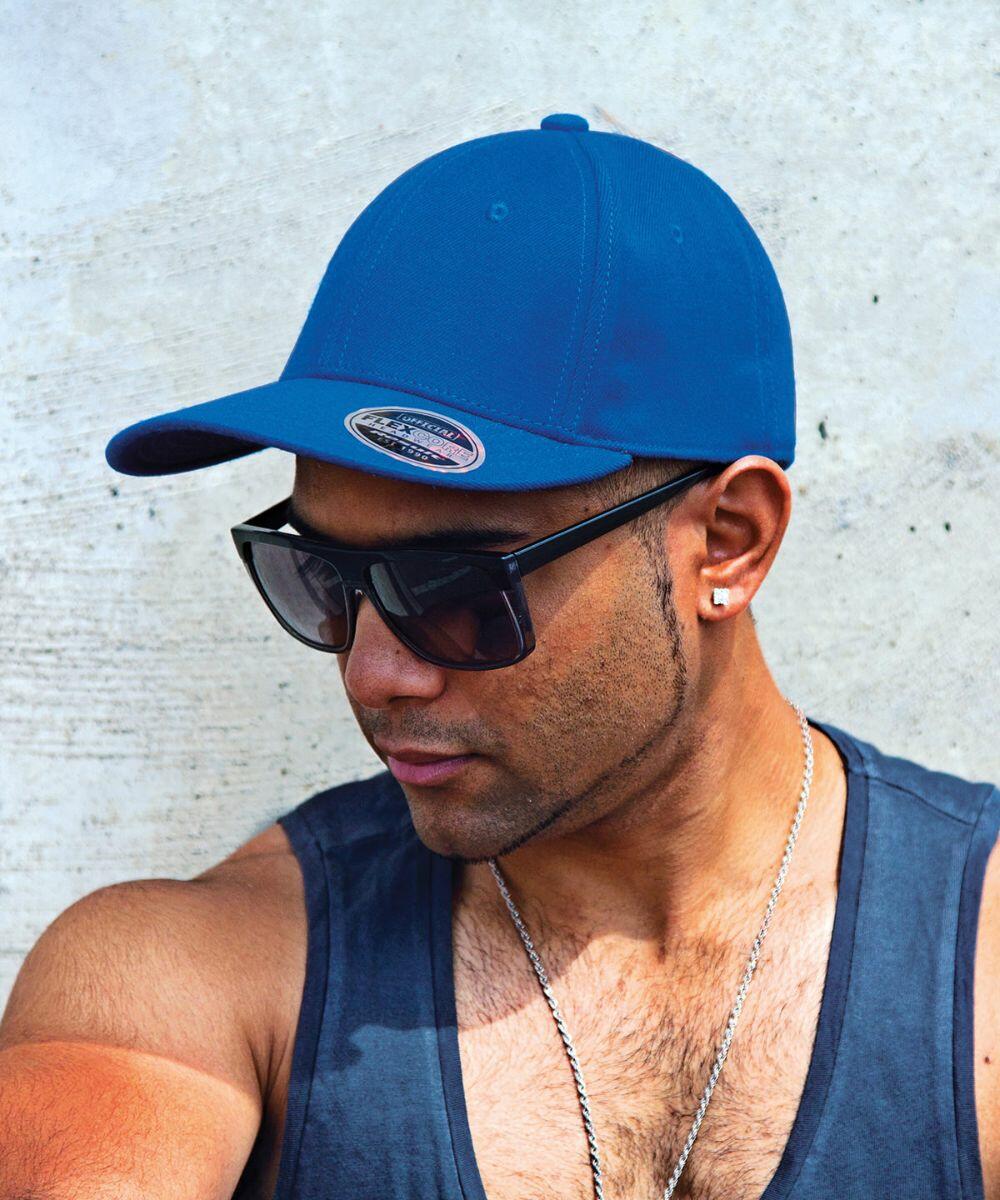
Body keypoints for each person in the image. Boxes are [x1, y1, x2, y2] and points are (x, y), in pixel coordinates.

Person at [1, 112, 996, 1200]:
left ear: (729, 541)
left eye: (460, 591)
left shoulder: (976, 961)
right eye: (326, 579)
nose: (375, 672)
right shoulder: (197, 980)